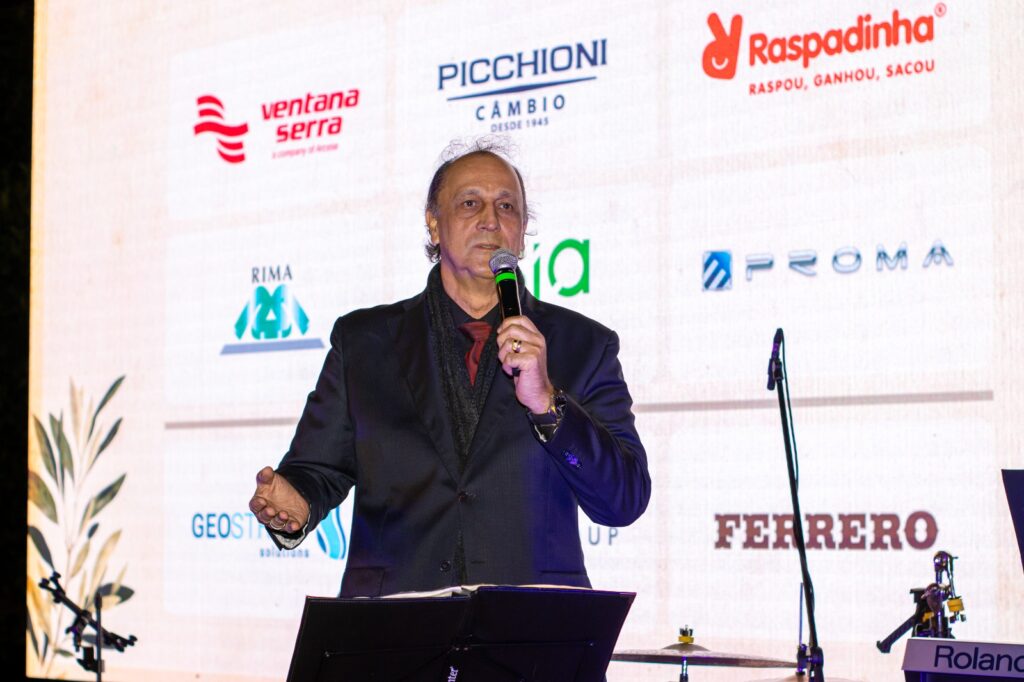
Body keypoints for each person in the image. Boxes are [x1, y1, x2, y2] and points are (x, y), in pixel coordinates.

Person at [248, 140, 650, 597]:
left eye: (507, 206)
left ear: (522, 233)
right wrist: (296, 504)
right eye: (469, 203)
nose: (491, 220)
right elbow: (317, 471)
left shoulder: (585, 345)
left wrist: (549, 406)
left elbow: (624, 500)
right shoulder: (363, 342)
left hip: (532, 628)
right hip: (393, 627)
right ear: (434, 225)